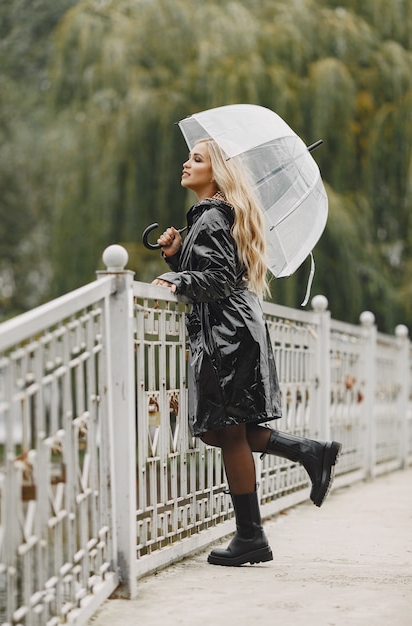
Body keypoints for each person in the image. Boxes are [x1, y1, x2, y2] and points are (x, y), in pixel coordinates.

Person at [152, 138, 342, 567]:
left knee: (229, 432)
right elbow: (213, 270)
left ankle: (251, 536)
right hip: (231, 330)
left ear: (216, 174)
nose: (186, 163)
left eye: (196, 159)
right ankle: (311, 453)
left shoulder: (214, 216)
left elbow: (216, 278)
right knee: (220, 431)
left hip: (227, 335)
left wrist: (178, 280)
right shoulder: (210, 216)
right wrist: (177, 256)